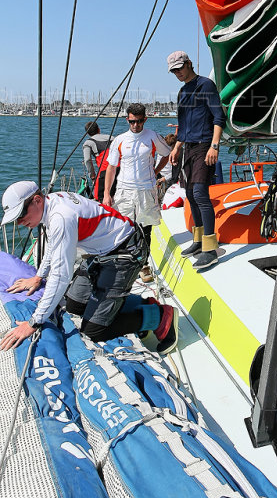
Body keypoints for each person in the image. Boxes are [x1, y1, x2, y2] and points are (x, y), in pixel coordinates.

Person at [0, 181, 178, 353]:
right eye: (16, 220)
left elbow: (61, 276)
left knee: (94, 331)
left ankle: (159, 316)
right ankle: (139, 304)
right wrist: (39, 277)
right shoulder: (51, 204)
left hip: (125, 252)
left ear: (37, 200)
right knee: (74, 305)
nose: (20, 222)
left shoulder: (61, 217)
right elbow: (53, 244)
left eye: (21, 215)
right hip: (101, 252)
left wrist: (34, 322)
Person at [167, 51, 225, 270]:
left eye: (180, 68)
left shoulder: (206, 85)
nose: (177, 73)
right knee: (190, 194)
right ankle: (199, 240)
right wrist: (177, 147)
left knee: (200, 193)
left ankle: (210, 249)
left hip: (204, 145)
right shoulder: (183, 92)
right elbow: (183, 124)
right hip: (188, 148)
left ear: (189, 64)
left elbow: (219, 117)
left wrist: (214, 146)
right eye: (174, 71)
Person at [103, 103, 172, 283]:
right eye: (133, 121)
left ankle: (143, 264)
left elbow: (167, 154)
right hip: (124, 190)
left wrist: (155, 172)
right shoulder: (119, 140)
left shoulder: (153, 137)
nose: (136, 125)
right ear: (128, 120)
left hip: (146, 189)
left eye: (140, 122)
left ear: (145, 120)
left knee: (145, 229)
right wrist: (106, 194)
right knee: (124, 228)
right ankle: (124, 262)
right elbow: (111, 168)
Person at [82, 121, 114, 201]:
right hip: (119, 170)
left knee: (100, 199)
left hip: (104, 173)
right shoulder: (112, 138)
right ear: (99, 129)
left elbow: (87, 160)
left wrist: (92, 176)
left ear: (88, 133)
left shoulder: (88, 143)